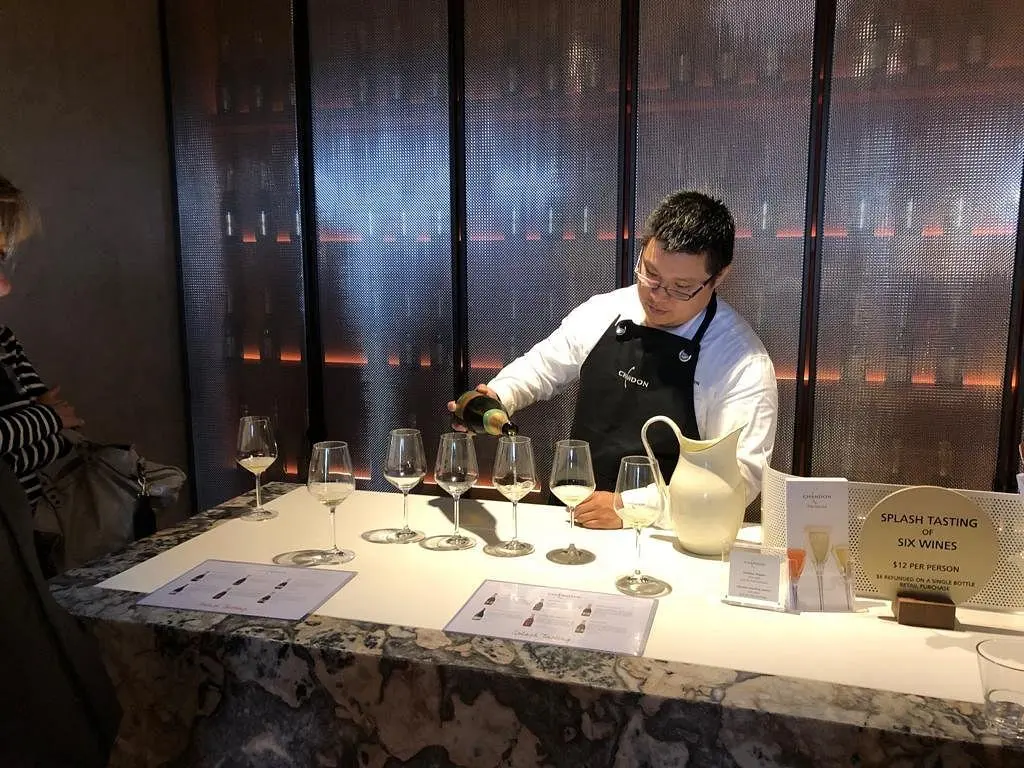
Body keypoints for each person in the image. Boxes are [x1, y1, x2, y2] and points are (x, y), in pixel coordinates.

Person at [450, 190, 778, 529]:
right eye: (650, 274)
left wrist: (632, 507)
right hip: (575, 511)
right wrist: (499, 395)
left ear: (718, 276)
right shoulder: (607, 309)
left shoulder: (741, 361)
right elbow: (542, 366)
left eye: (681, 287)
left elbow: (737, 479)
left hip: (664, 536)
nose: (657, 296)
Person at [0, 175, 83, 513]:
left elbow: (67, 440)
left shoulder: (3, 339)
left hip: (24, 529)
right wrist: (46, 420)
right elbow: (58, 423)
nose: (6, 286)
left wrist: (39, 423)